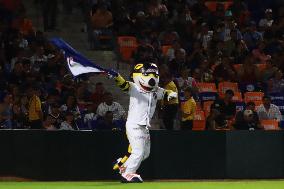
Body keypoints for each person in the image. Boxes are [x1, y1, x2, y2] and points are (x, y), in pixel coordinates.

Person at [109, 63, 177, 183]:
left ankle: (122, 165)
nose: (151, 78)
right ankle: (128, 174)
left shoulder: (156, 90)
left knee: (145, 153)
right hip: (134, 124)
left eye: (154, 75)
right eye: (147, 75)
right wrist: (116, 76)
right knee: (138, 152)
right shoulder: (134, 87)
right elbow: (123, 85)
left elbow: (165, 93)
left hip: (144, 127)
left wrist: (171, 94)